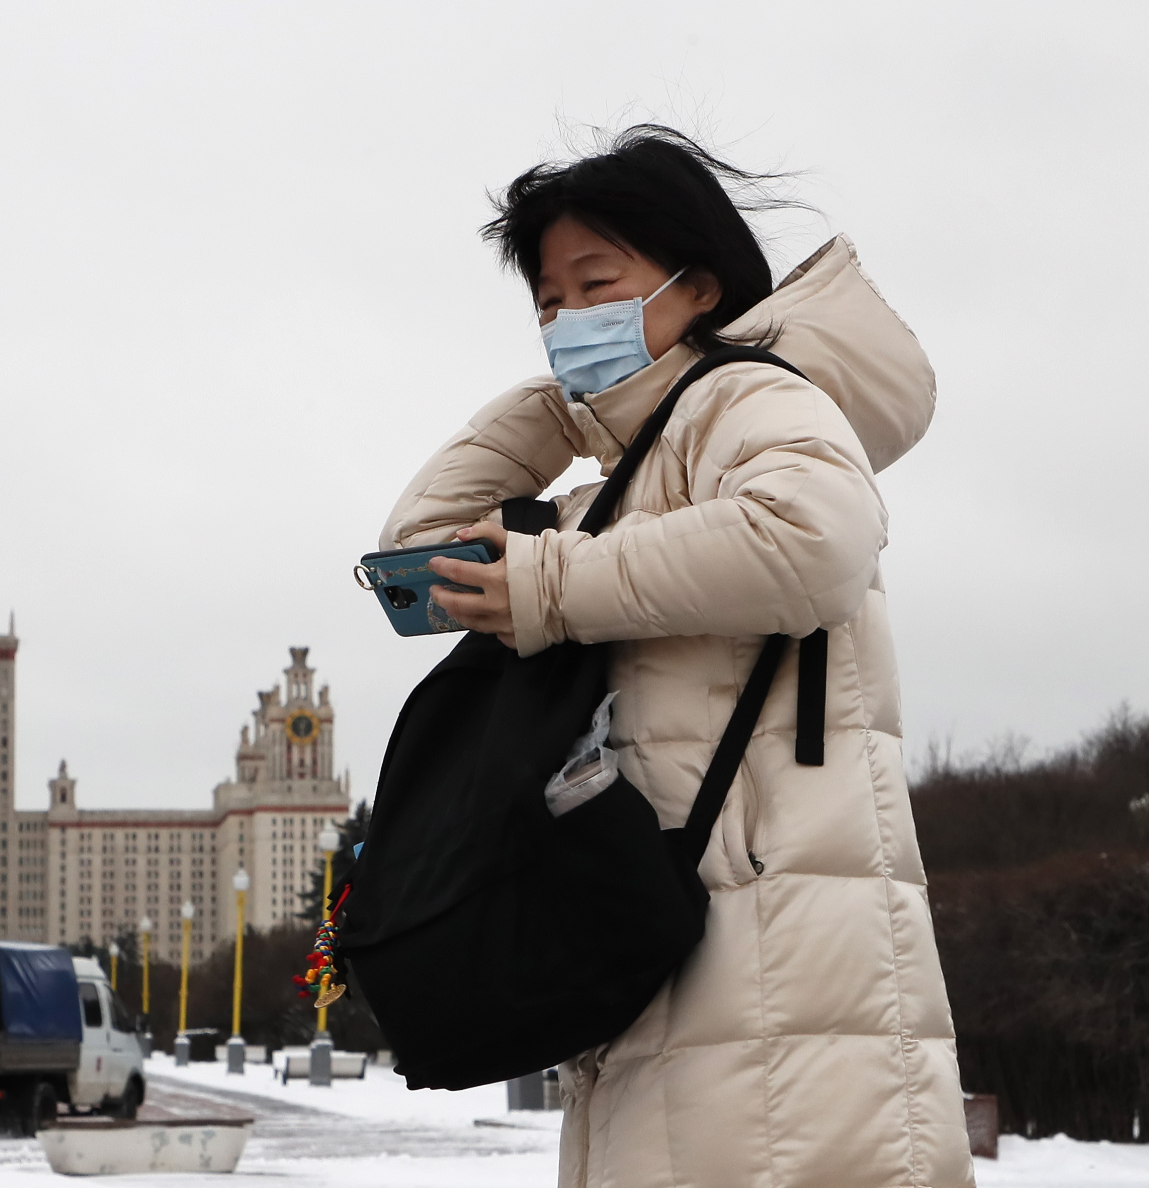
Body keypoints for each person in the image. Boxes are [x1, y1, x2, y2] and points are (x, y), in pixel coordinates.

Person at [382, 127, 974, 1188]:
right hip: (671, 932)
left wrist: (551, 587)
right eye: (548, 303)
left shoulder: (751, 399)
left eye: (597, 284)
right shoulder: (626, 479)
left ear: (696, 286)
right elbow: (422, 552)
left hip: (774, 956)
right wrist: (559, 407)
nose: (569, 320)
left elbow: (813, 538)